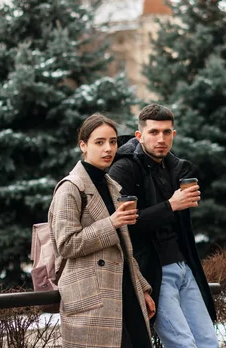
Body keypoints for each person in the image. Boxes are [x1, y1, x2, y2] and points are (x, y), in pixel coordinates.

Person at [108, 104, 219, 348]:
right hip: (153, 270)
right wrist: (171, 205)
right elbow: (123, 226)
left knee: (208, 342)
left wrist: (180, 207)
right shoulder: (123, 168)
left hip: (183, 266)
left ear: (174, 134)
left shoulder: (175, 168)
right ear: (140, 136)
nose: (161, 139)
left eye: (167, 132)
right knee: (183, 344)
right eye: (154, 132)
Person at [48, 113, 155, 348]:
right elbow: (66, 244)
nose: (108, 148)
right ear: (83, 146)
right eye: (100, 142)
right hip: (92, 299)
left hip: (124, 292)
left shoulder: (112, 187)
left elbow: (124, 248)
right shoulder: (70, 188)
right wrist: (111, 223)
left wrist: (142, 288)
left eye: (113, 142)